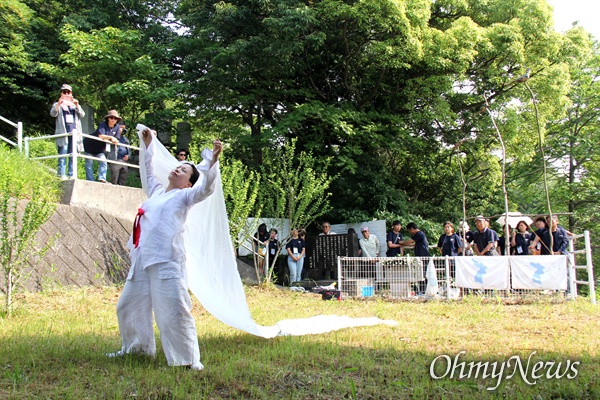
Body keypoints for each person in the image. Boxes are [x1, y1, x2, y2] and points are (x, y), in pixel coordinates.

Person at [108, 128, 222, 371]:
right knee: (128, 305)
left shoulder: (185, 196)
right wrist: (148, 144)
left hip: (167, 260)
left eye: (183, 170)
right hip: (142, 259)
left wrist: (212, 163)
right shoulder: (158, 193)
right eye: (177, 167)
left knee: (173, 310)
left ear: (188, 182)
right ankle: (136, 349)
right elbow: (148, 171)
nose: (177, 169)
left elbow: (206, 189)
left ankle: (188, 359)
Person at [50, 84, 85, 179]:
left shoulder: (74, 105)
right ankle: (61, 174)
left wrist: (77, 105)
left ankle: (71, 174)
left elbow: (82, 114)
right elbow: (53, 113)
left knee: (72, 155)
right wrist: (58, 104)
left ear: (71, 93)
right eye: (64, 92)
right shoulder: (58, 104)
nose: (66, 94)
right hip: (63, 134)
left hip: (74, 134)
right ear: (61, 93)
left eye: (68, 92)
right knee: (63, 154)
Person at [83, 110, 121, 182]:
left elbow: (117, 139)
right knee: (89, 163)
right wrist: (110, 137)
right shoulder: (102, 124)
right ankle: (90, 180)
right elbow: (100, 135)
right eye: (111, 117)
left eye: (115, 118)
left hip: (100, 148)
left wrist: (115, 140)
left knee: (103, 162)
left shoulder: (117, 127)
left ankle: (102, 178)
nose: (113, 120)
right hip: (90, 144)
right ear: (108, 118)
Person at [404, 222, 430, 294]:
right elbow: (413, 243)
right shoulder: (419, 235)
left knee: (423, 273)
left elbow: (410, 241)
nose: (410, 232)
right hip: (420, 256)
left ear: (412, 228)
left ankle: (424, 289)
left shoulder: (419, 234)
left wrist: (402, 242)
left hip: (423, 256)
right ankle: (422, 289)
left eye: (409, 230)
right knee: (420, 273)